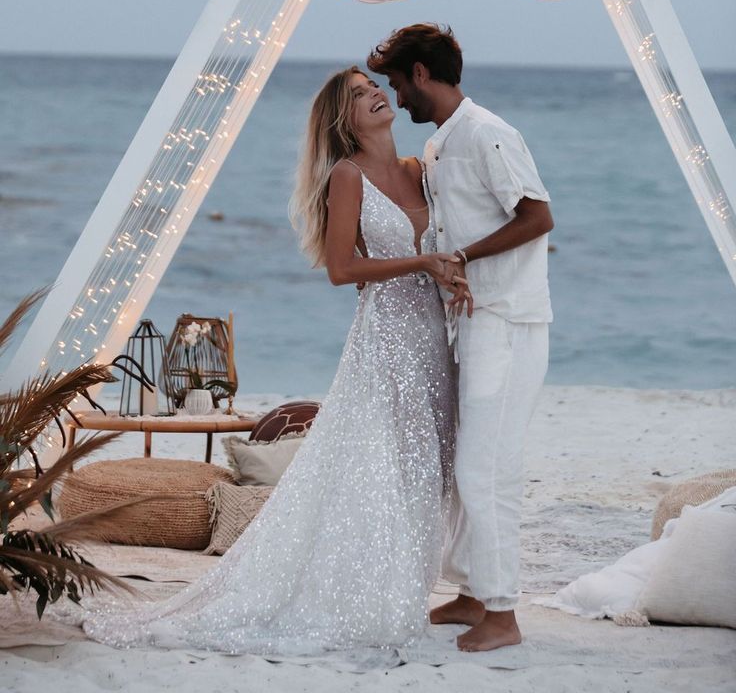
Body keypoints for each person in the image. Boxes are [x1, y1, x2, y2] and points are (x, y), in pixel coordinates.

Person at [83, 66, 469, 662]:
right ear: (343, 119)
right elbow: (342, 270)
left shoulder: (421, 170)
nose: (376, 97)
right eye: (361, 95)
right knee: (387, 464)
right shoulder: (348, 175)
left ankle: (409, 589)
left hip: (433, 336)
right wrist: (422, 265)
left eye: (376, 88)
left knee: (430, 464)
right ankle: (376, 598)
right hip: (386, 336)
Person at [368, 24, 553, 653]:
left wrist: (463, 258)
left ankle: (503, 613)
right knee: (469, 462)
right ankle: (473, 593)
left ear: (422, 74)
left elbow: (538, 216)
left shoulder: (487, 133)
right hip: (473, 324)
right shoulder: (446, 143)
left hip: (508, 321)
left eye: (397, 84)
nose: (397, 99)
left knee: (485, 470)